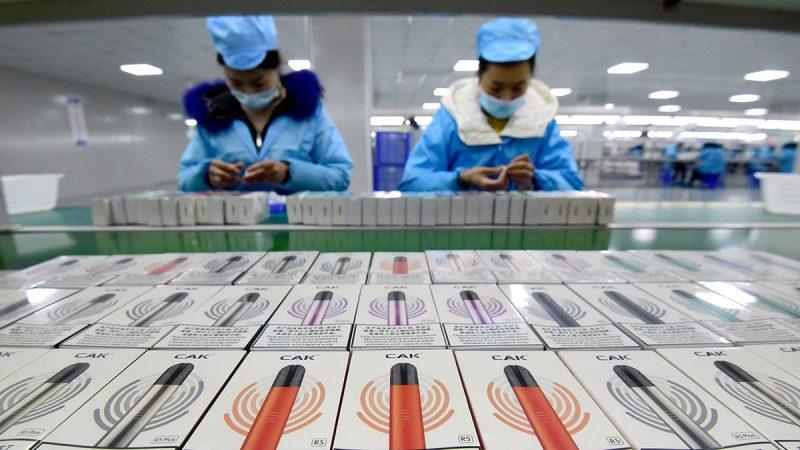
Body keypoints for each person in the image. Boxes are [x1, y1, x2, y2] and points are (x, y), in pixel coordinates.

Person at [398, 17, 583, 192]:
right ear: (479, 76)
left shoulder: (542, 120)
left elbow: (573, 185)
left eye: (518, 87)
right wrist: (460, 179)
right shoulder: (452, 117)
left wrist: (535, 178)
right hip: (462, 217)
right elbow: (412, 182)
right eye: (496, 87)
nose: (506, 97)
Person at [178, 15, 353, 194]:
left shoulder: (308, 111)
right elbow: (184, 179)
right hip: (237, 212)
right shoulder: (212, 115)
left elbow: (340, 175)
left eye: (258, 83)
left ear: (277, 68)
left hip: (296, 212)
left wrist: (289, 173)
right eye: (236, 83)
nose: (248, 92)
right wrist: (206, 175)